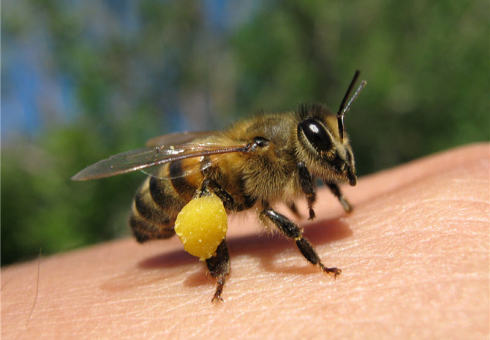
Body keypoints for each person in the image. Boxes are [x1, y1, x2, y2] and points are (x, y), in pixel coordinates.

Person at [2, 144, 488, 339]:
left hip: (203, 184)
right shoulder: (267, 153)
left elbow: (300, 178)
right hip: (176, 193)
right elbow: (274, 197)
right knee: (221, 197)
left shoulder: (287, 160)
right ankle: (222, 273)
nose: (314, 174)